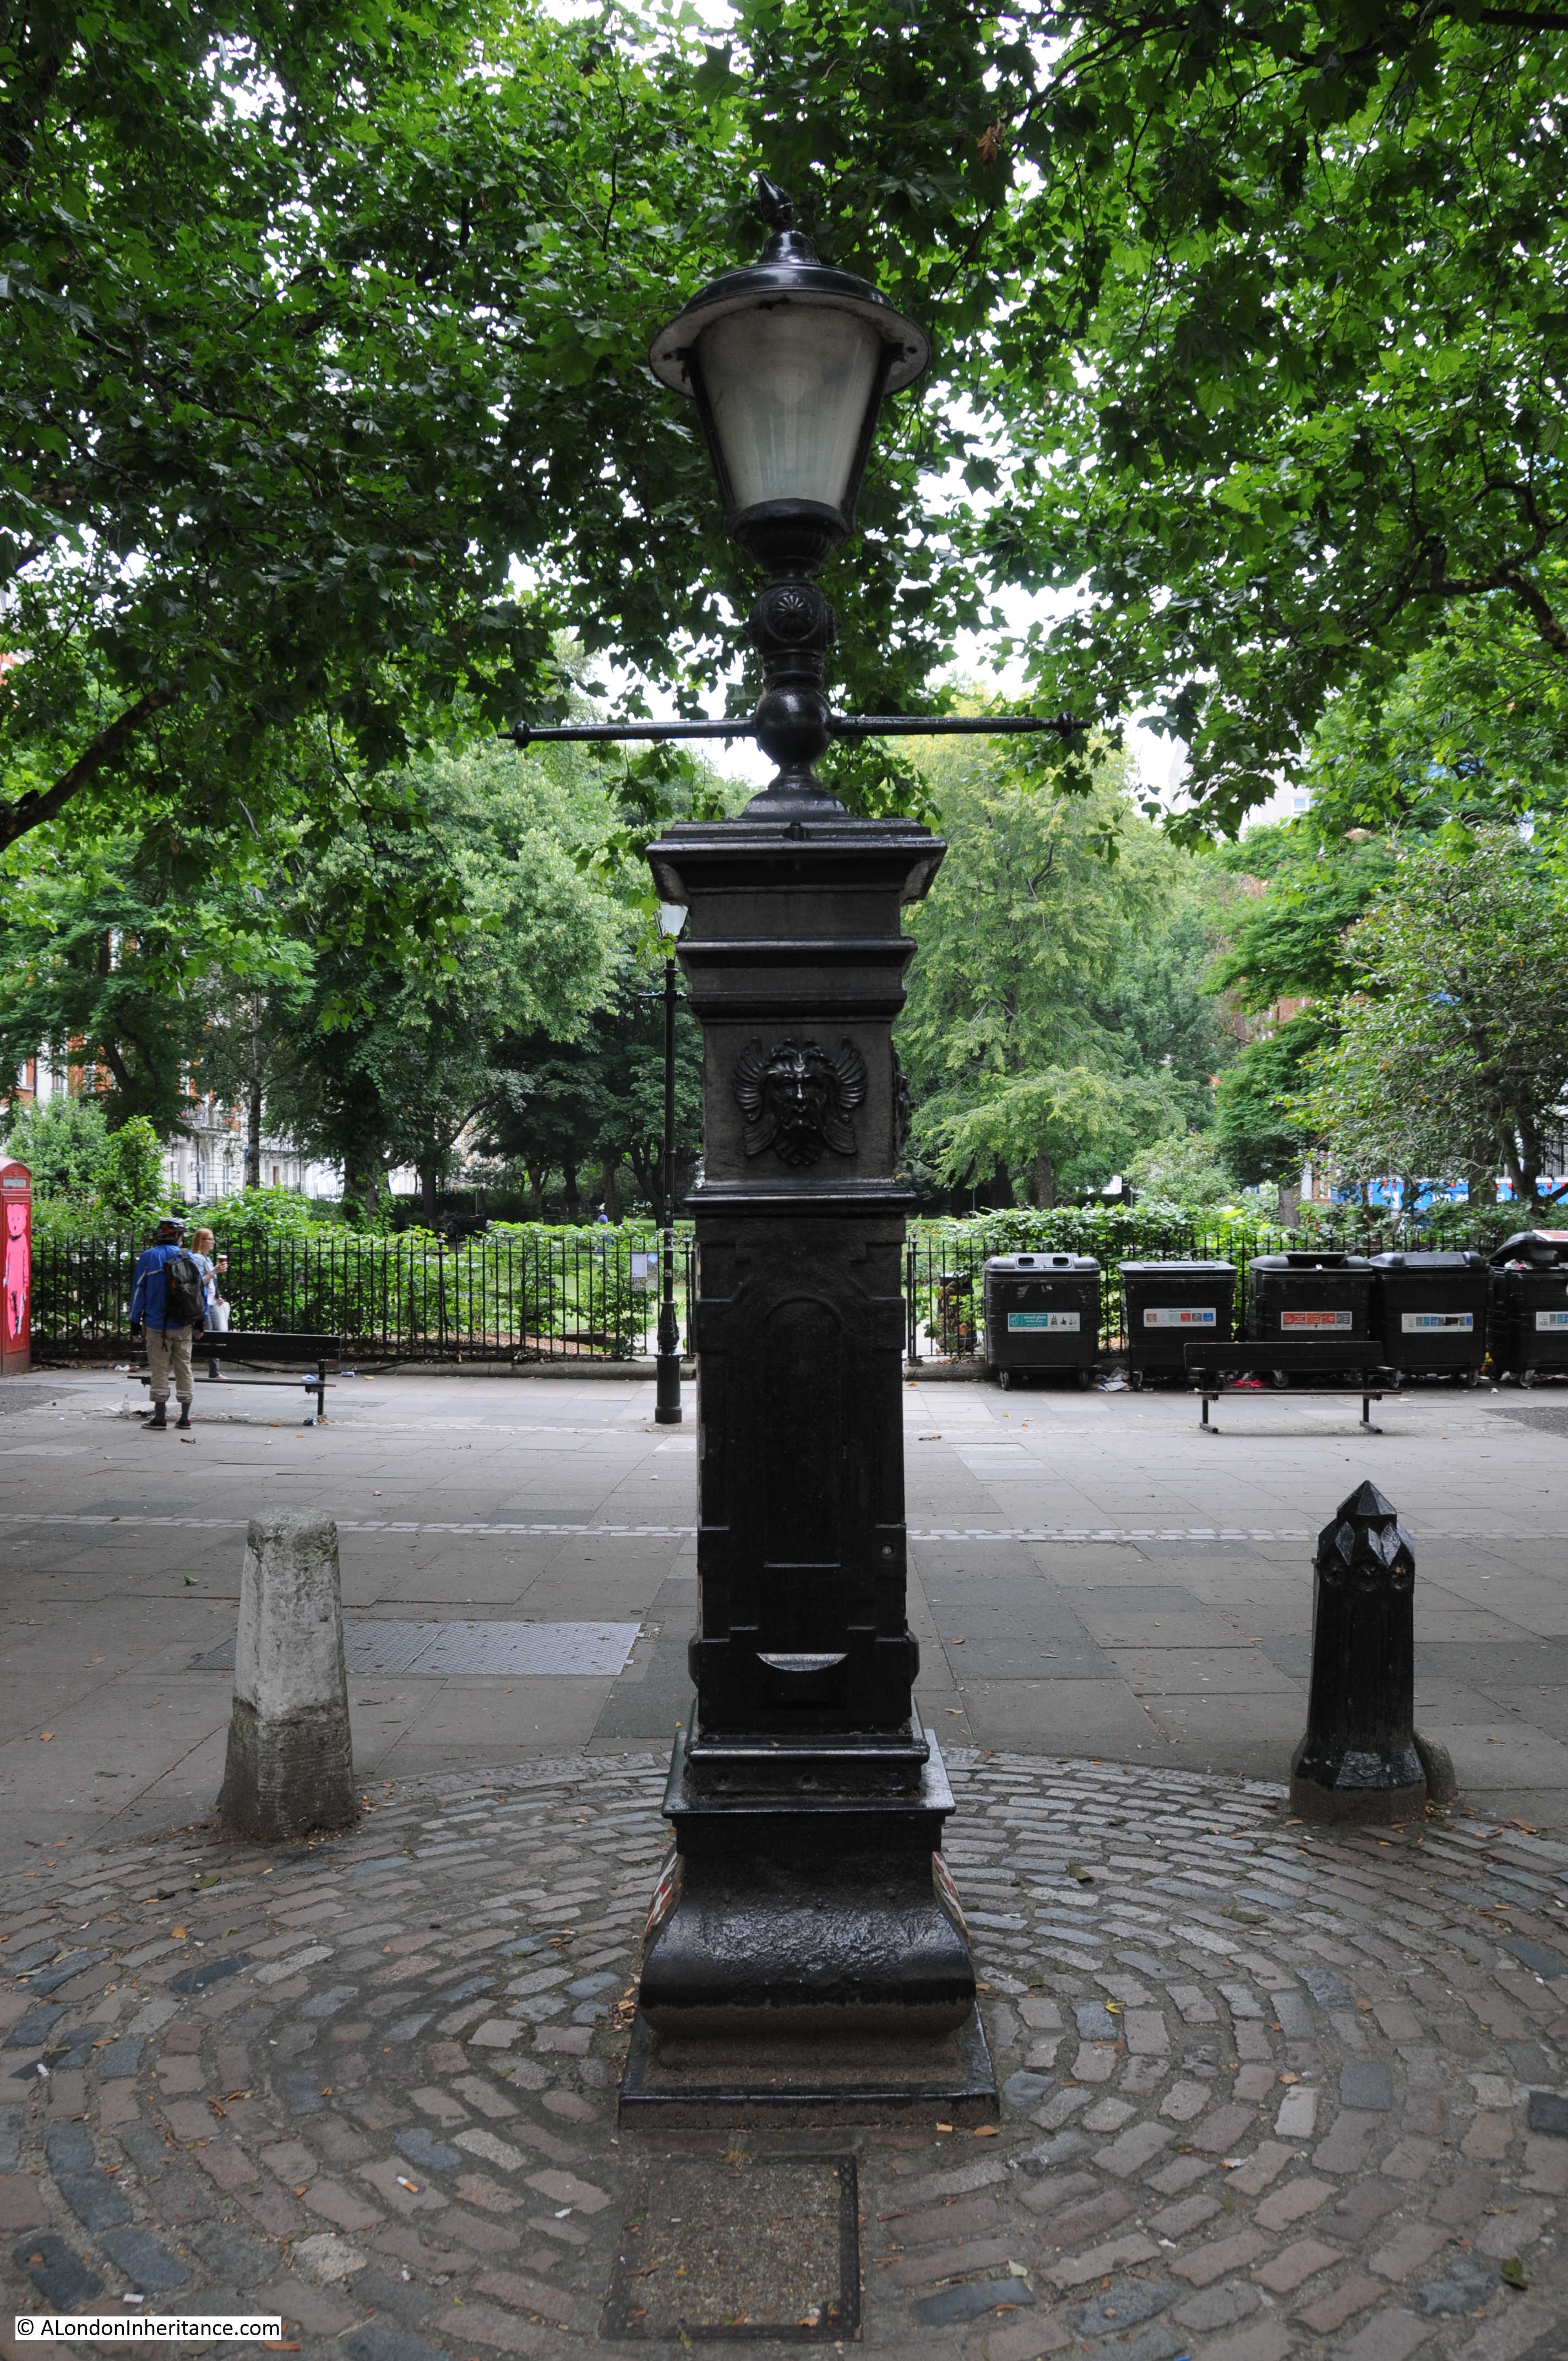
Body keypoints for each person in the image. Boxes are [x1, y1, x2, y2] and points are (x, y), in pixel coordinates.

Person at [128, 1212, 205, 1430]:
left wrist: (135, 1320)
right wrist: (201, 1321)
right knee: (184, 1368)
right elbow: (199, 1292)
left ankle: (160, 1418)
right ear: (179, 1236)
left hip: (156, 1325)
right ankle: (185, 1418)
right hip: (183, 1324)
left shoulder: (148, 1257)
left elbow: (138, 1292)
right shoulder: (188, 1257)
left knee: (159, 1370)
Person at [189, 1226, 229, 1380]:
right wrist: (214, 1271)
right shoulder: (198, 1258)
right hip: (203, 1304)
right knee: (204, 1337)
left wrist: (218, 1296)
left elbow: (211, 1282)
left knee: (215, 1337)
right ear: (201, 1241)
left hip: (212, 1302)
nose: (213, 1242)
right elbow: (198, 1282)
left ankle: (215, 1371)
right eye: (210, 1239)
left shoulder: (207, 1258)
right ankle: (181, 1364)